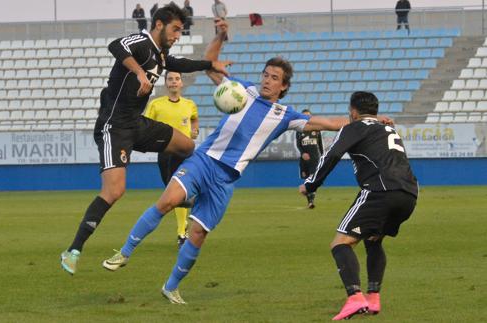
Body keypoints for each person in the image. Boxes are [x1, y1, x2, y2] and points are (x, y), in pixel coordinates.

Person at [101, 20, 392, 304]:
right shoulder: (241, 90)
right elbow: (211, 62)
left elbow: (328, 123)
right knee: (167, 201)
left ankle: (171, 287)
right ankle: (124, 252)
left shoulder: (285, 114)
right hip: (204, 159)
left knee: (198, 234)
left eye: (274, 78)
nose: (267, 80)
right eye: (265, 74)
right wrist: (219, 35)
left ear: (284, 86)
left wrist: (372, 120)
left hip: (226, 179)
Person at [60, 3, 231, 275]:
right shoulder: (141, 41)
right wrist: (139, 72)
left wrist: (212, 63)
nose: (178, 35)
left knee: (186, 145)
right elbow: (116, 45)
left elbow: (181, 64)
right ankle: (73, 250)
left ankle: (177, 191)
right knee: (115, 191)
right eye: (175, 29)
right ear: (160, 24)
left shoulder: (162, 55)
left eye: (181, 31)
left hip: (137, 125)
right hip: (113, 127)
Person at [299, 91, 418, 320]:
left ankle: (354, 297)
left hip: (380, 191)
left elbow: (331, 156)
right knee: (373, 240)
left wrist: (311, 184)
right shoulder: (388, 128)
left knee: (340, 243)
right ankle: (373, 297)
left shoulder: (353, 127)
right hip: (409, 194)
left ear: (352, 111)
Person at [144, 71, 199, 247]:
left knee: (178, 192)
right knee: (172, 193)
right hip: (165, 152)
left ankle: (182, 233)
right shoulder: (156, 105)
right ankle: (186, 221)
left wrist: (194, 130)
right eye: (170, 79)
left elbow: (194, 119)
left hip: (184, 153)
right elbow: (145, 125)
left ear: (181, 83)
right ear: (166, 83)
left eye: (177, 79)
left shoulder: (190, 104)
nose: (174, 82)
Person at [295, 109, 323, 209]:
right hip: (304, 160)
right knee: (306, 179)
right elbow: (298, 144)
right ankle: (309, 200)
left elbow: (320, 145)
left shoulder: (316, 130)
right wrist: (303, 153)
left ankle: (311, 202)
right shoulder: (299, 130)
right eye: (304, 116)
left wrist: (322, 156)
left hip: (315, 158)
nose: (306, 118)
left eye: (308, 116)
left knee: (312, 179)